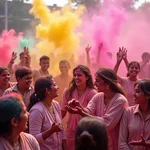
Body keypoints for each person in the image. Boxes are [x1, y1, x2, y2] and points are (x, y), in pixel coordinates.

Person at [66, 68, 128, 150]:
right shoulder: (99, 96)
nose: (95, 83)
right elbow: (89, 111)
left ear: (107, 84)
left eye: (98, 81)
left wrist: (81, 112)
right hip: (100, 143)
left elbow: (106, 123)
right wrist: (79, 106)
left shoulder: (120, 100)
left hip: (115, 143)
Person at [61, 65, 97, 150]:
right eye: (75, 75)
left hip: (87, 132)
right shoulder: (68, 92)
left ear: (87, 77)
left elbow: (92, 115)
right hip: (71, 132)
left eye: (79, 75)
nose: (76, 77)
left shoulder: (93, 93)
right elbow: (62, 112)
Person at [28, 76, 67, 150]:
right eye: (54, 85)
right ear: (48, 91)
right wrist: (51, 131)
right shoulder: (37, 110)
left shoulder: (55, 104)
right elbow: (33, 139)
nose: (57, 87)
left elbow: (62, 132)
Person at [119, 79, 150, 150]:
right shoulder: (128, 112)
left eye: (137, 91)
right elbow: (122, 142)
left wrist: (147, 144)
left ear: (147, 96)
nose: (133, 94)